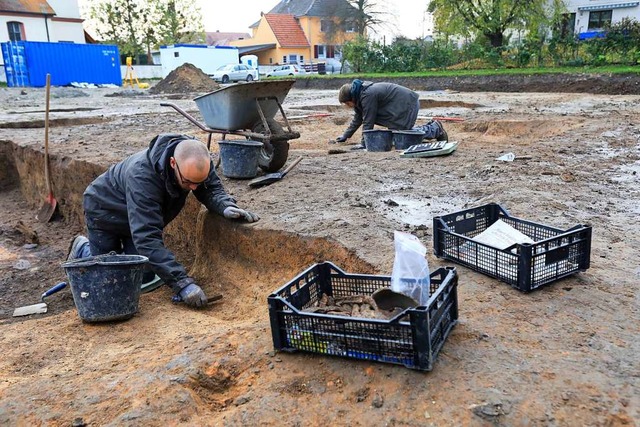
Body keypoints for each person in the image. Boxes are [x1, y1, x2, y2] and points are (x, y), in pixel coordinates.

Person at [66, 133, 259, 308]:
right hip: (104, 210)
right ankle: (83, 249)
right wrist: (183, 284)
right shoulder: (143, 178)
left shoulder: (196, 159)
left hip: (137, 215)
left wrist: (225, 206)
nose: (193, 188)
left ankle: (120, 260)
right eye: (187, 182)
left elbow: (210, 188)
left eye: (197, 183)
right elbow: (147, 239)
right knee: (112, 281)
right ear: (174, 163)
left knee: (143, 275)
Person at [333, 79, 448, 148]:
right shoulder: (360, 97)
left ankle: (435, 129)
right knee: (398, 138)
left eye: (347, 103)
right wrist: (345, 136)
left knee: (403, 137)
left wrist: (364, 144)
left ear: (350, 99)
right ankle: (432, 129)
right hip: (398, 108)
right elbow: (358, 119)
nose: (348, 106)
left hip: (408, 105)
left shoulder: (367, 95)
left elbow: (369, 120)